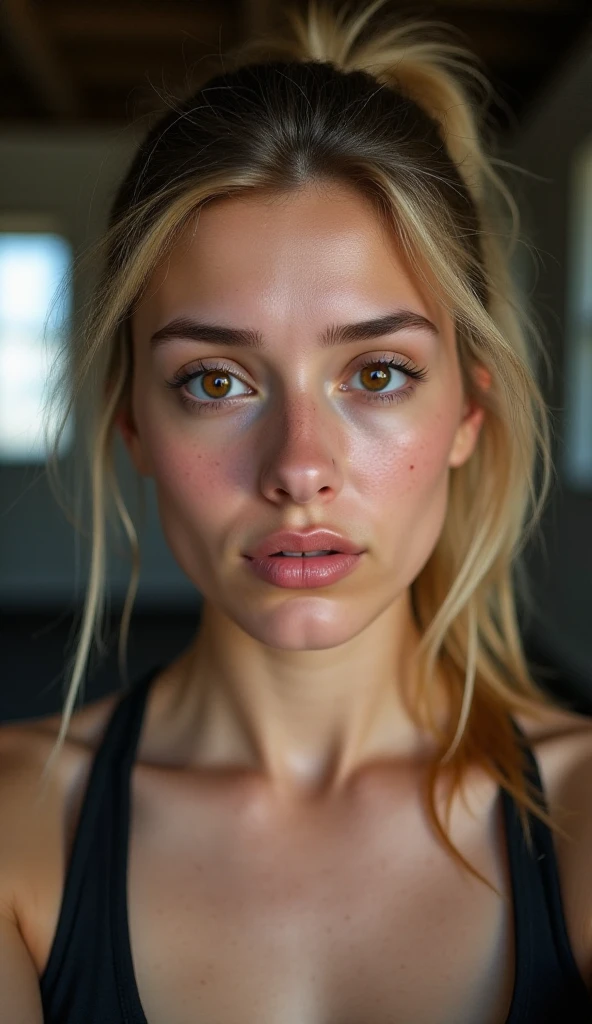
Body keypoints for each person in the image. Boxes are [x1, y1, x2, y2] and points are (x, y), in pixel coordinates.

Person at [1, 1, 591, 1020]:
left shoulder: (582, 816)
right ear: (131, 421)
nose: (299, 468)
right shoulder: (16, 824)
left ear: (467, 409)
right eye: (216, 382)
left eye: (375, 371)